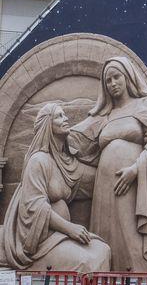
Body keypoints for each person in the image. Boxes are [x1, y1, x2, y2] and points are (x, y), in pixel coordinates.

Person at [69, 58, 147, 272]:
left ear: (127, 77)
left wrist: (135, 170)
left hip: (134, 186)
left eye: (116, 77)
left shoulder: (144, 104)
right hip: (106, 189)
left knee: (134, 239)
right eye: (108, 80)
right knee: (108, 239)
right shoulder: (106, 114)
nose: (112, 83)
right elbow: (79, 140)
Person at [0, 103, 110, 272]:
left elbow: (90, 178)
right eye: (59, 116)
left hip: (59, 236)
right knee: (88, 262)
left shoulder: (63, 162)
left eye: (65, 114)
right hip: (39, 242)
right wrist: (70, 228)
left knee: (103, 250)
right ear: (48, 125)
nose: (66, 119)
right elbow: (35, 207)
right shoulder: (38, 161)